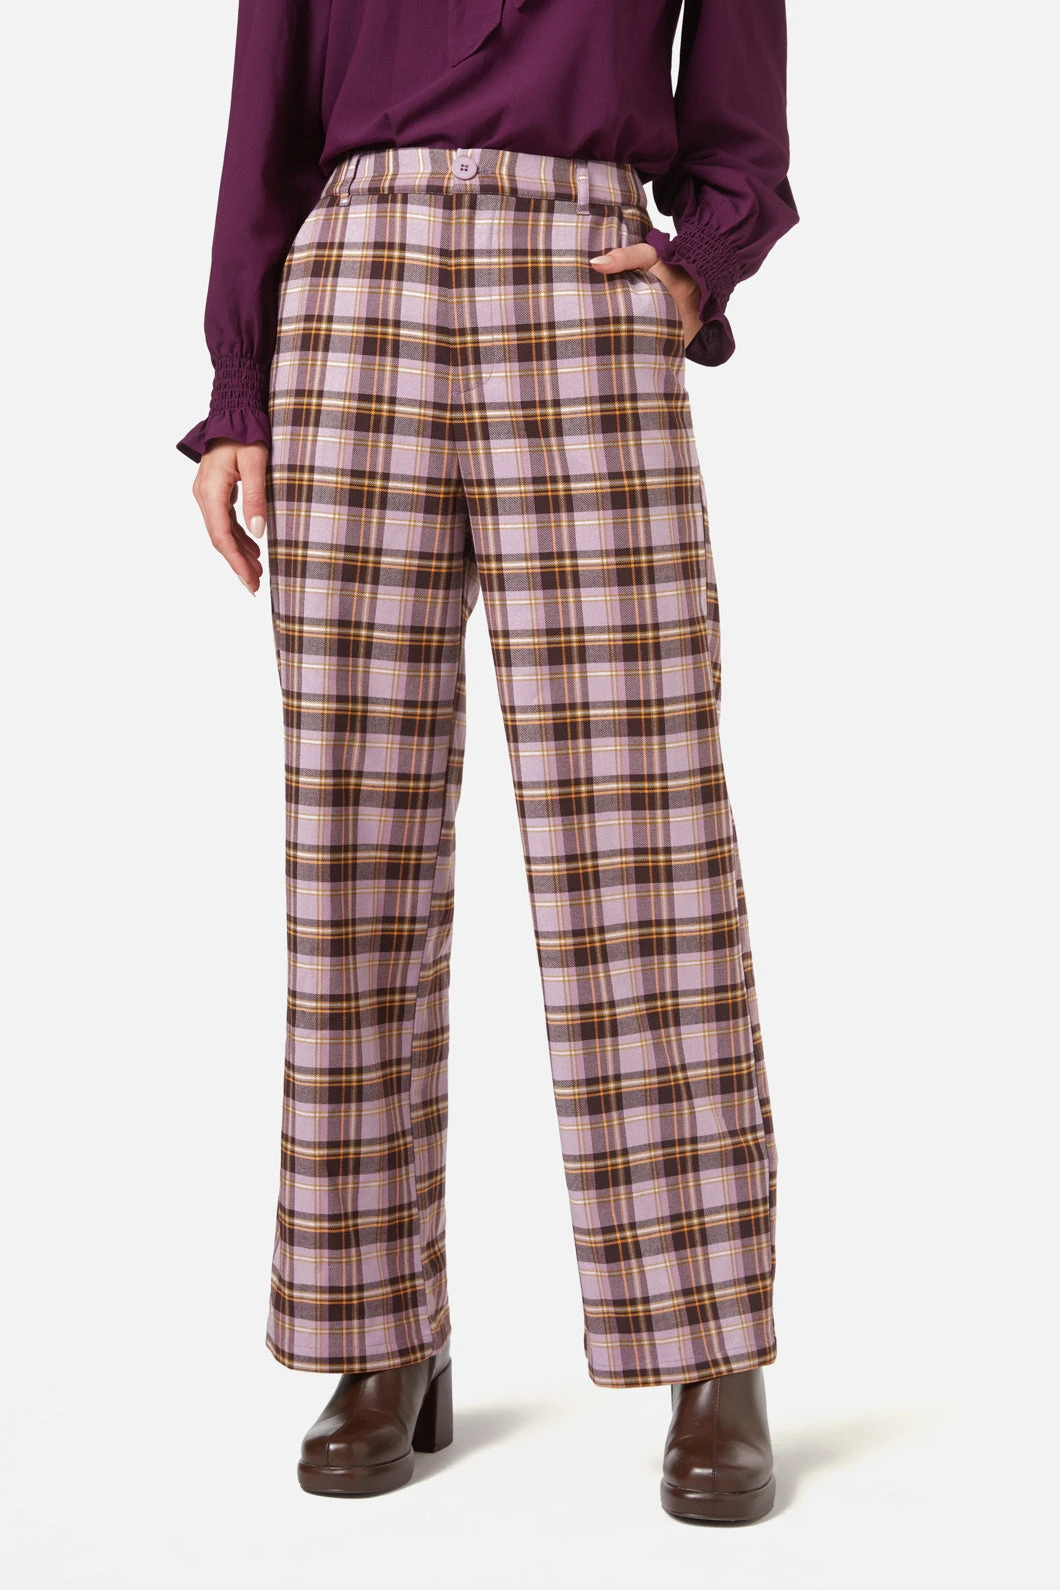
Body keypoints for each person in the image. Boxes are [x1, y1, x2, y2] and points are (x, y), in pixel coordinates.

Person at [178, 0, 798, 1522]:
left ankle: (709, 1346)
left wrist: (697, 264)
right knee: (354, 838)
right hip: (354, 289)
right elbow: (266, 122)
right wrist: (240, 391)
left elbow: (743, 134)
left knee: (642, 837)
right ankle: (376, 1333)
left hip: (580, 284)